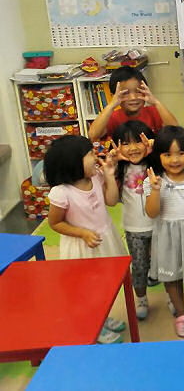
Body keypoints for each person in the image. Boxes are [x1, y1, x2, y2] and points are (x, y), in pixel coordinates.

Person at [45, 135, 127, 344]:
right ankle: (93, 326)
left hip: (104, 239)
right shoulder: (61, 193)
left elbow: (111, 201)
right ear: (73, 162)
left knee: (105, 285)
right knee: (87, 290)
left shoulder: (96, 176)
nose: (96, 157)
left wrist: (109, 175)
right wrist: (82, 233)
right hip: (82, 246)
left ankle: (102, 317)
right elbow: (55, 223)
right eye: (90, 154)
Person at [143, 126, 184, 338]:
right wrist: (155, 190)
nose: (175, 160)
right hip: (167, 235)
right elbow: (152, 213)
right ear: (158, 156)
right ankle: (182, 314)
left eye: (181, 153)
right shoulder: (152, 180)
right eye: (167, 154)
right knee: (172, 277)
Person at [110, 121, 155, 320]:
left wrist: (155, 149)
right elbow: (111, 198)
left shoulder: (156, 163)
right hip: (134, 228)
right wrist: (112, 165)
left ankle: (172, 296)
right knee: (139, 265)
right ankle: (142, 299)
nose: (133, 148)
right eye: (126, 143)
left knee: (163, 263)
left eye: (138, 141)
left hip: (159, 225)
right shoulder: (119, 169)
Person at [88, 66, 178, 141]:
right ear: (114, 96)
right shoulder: (113, 117)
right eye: (126, 93)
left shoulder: (153, 112)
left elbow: (175, 130)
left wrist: (156, 102)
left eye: (138, 91)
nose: (133, 98)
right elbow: (93, 135)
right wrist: (112, 105)